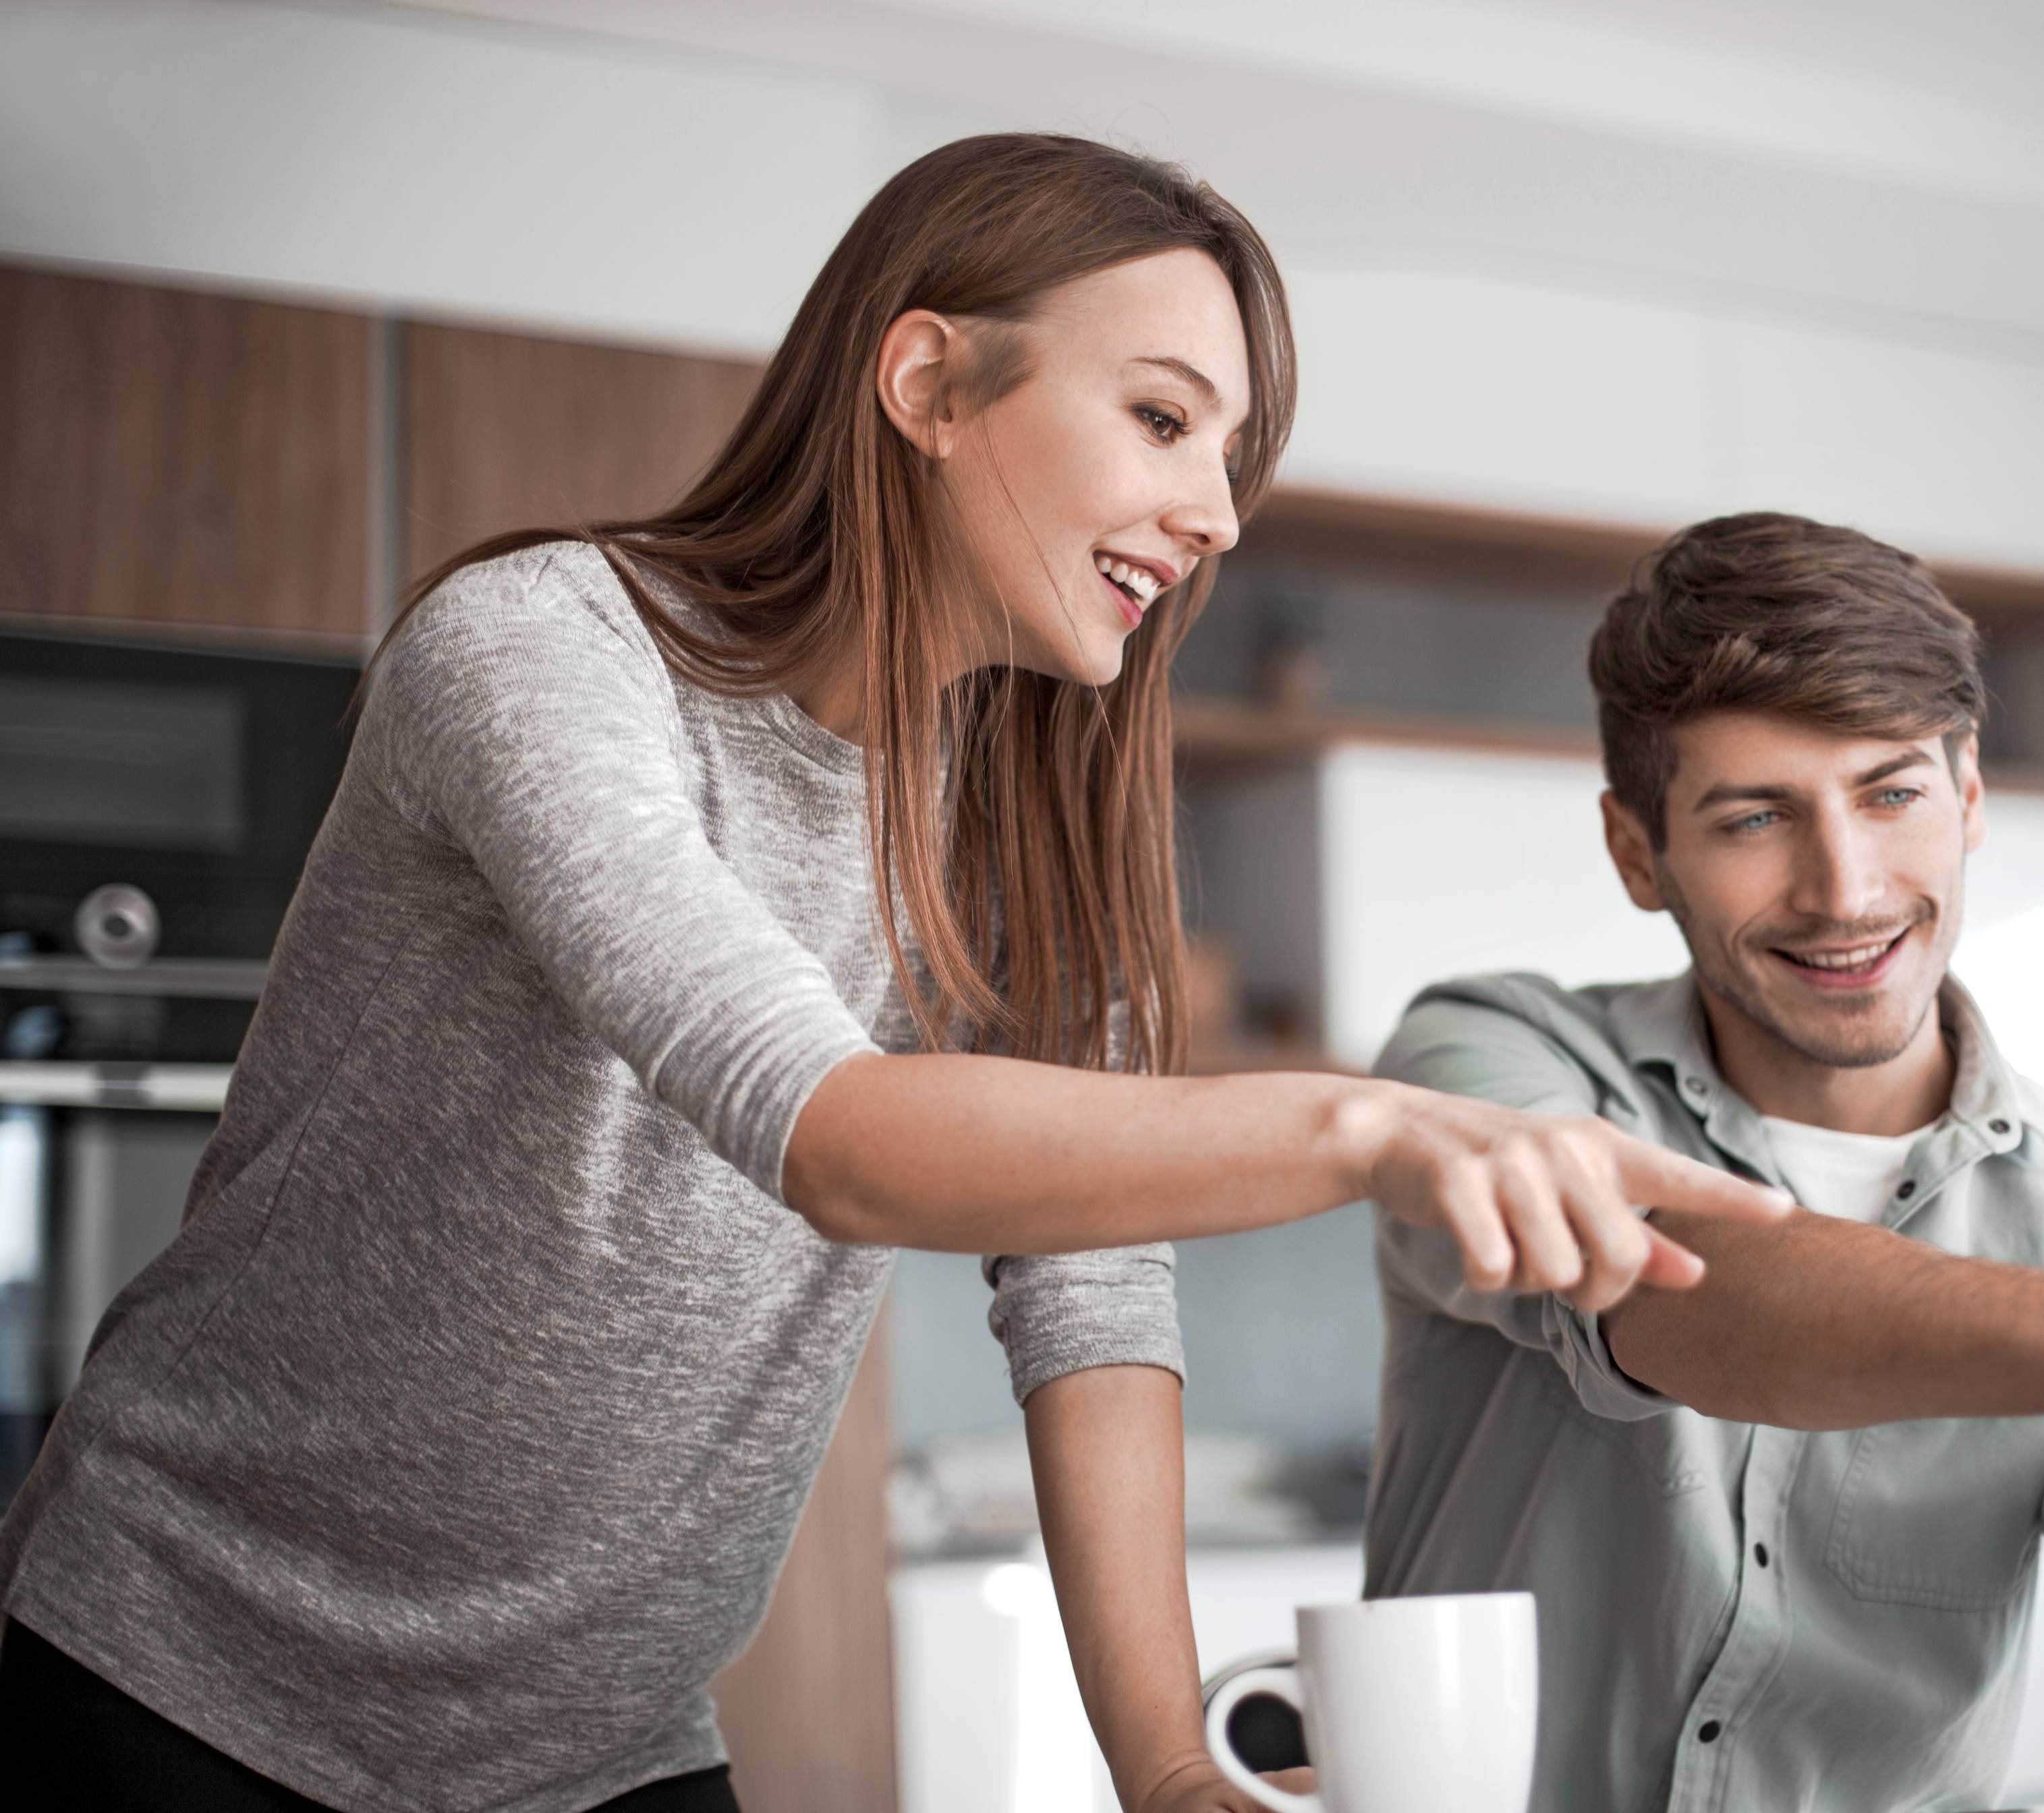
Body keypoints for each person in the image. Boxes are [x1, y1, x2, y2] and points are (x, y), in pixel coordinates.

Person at [0, 136, 1785, 1813]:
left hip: (597, 1746)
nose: (1218, 516)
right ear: (927, 384)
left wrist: (1164, 1767)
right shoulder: (542, 653)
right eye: (1164, 419)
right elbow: (827, 1127)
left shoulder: (1027, 825)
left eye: (1230, 457)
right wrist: (1373, 1130)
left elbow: (1087, 1291)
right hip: (179, 1677)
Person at [1362, 512, 2044, 1813]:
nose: (1846, 890)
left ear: (1970, 798)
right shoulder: (1490, 1056)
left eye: (1892, 793)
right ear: (1636, 853)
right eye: (1756, 817)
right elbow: (1664, 1283)